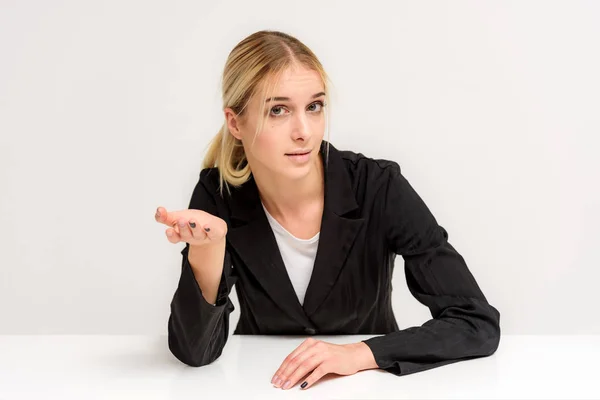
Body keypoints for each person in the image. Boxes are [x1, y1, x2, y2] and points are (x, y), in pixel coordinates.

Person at [154, 30, 501, 390]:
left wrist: (357, 354)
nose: (303, 131)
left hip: (376, 386)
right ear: (236, 123)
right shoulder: (218, 194)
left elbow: (475, 321)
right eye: (278, 110)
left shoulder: (377, 186)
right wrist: (209, 250)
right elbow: (194, 353)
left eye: (314, 106)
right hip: (262, 386)